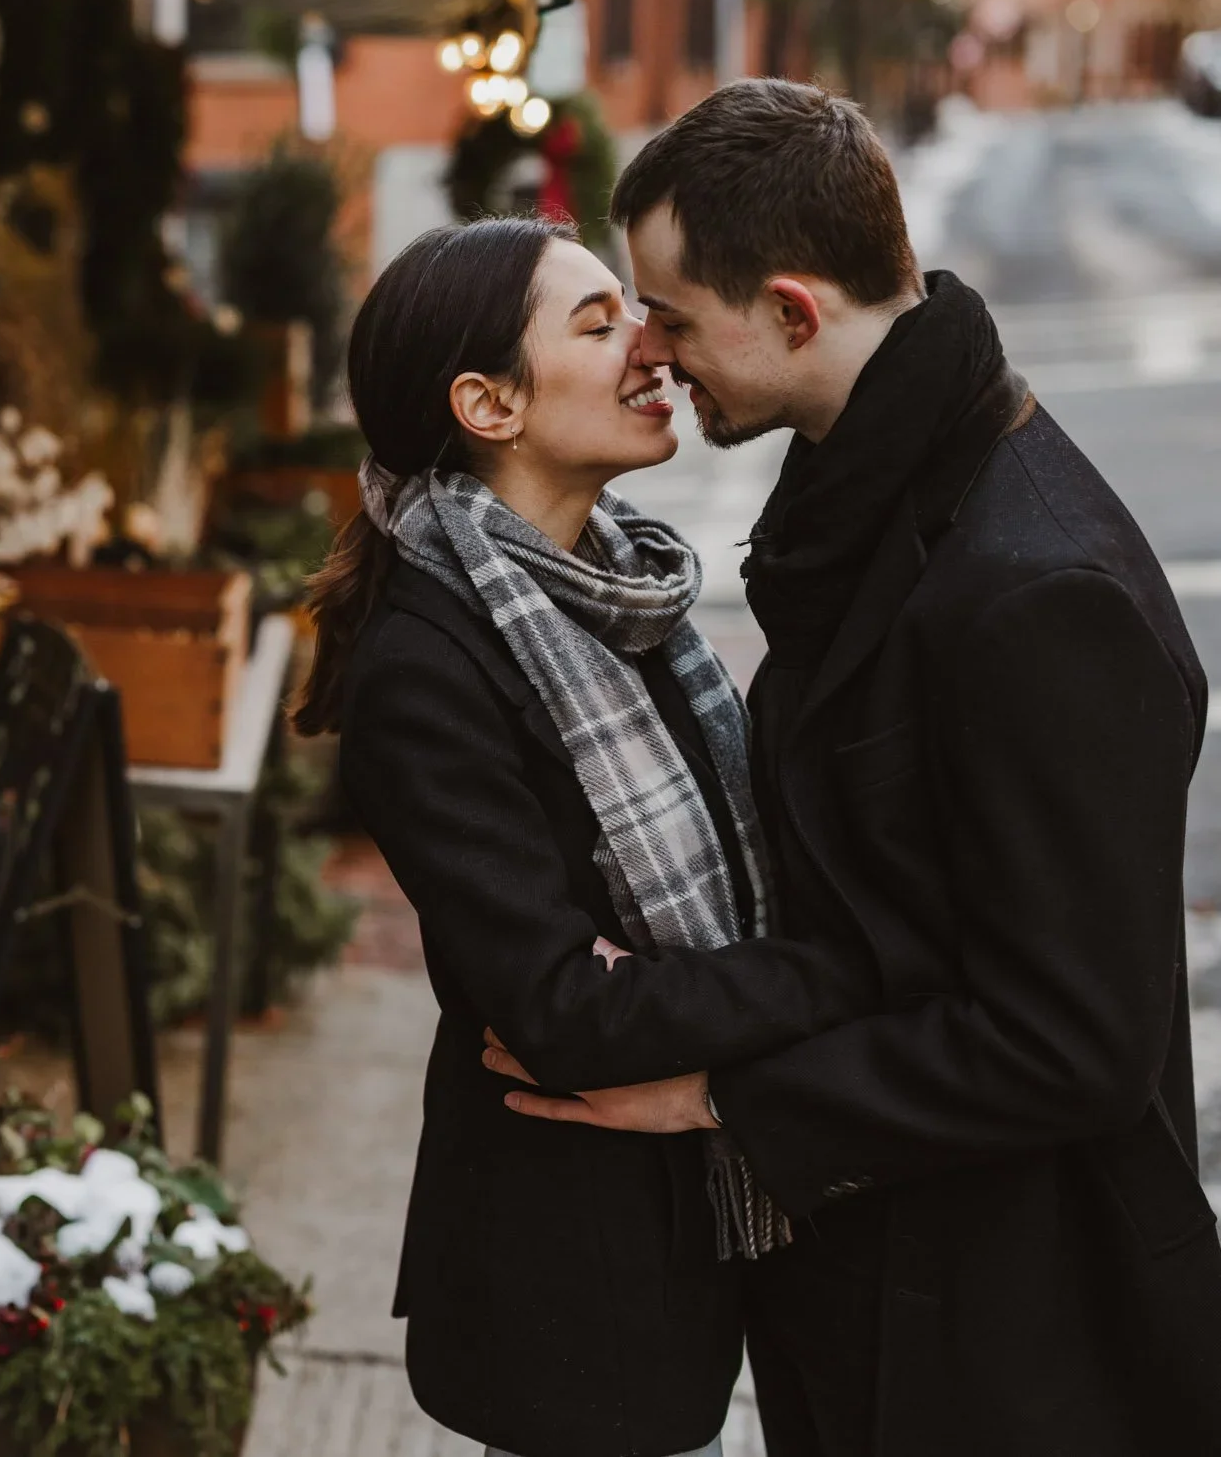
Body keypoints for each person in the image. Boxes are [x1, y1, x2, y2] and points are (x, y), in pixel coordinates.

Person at [485, 79, 1221, 1457]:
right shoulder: (873, 496)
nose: (651, 351)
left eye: (674, 316)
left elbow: (1073, 1045)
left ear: (794, 310)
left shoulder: (1034, 589)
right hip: (884, 1287)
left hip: (1021, 1342)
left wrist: (720, 1092)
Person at [296, 216, 882, 1457]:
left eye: (640, 313)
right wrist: (843, 972)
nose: (652, 347)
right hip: (572, 1276)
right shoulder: (428, 667)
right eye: (599, 323)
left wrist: (670, 988)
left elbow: (641, 967)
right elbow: (562, 1015)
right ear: (487, 404)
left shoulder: (620, 589)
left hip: (692, 1223)